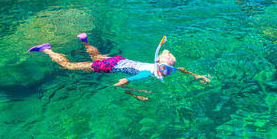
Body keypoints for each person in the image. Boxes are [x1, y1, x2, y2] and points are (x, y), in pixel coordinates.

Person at [28, 33, 211, 101]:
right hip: (109, 66)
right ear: (158, 64)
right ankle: (47, 50)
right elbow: (120, 83)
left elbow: (181, 69)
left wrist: (196, 75)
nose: (167, 72)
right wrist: (135, 94)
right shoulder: (147, 72)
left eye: (169, 70)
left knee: (97, 56)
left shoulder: (160, 68)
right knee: (68, 67)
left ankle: (85, 41)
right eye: (166, 69)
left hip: (119, 60)